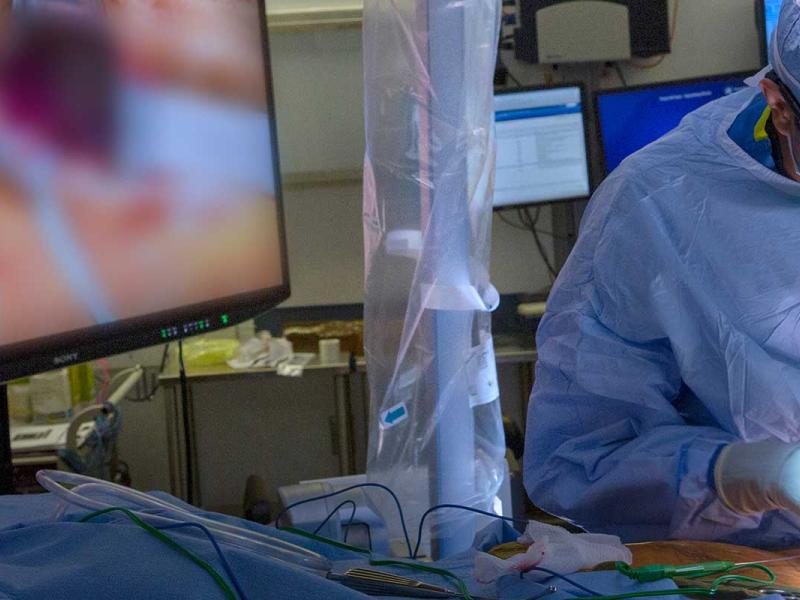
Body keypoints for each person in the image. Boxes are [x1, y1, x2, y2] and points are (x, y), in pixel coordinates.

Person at [525, 0, 800, 549]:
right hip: (756, 561)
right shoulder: (656, 204)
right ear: (780, 106)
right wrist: (752, 473)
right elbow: (578, 459)